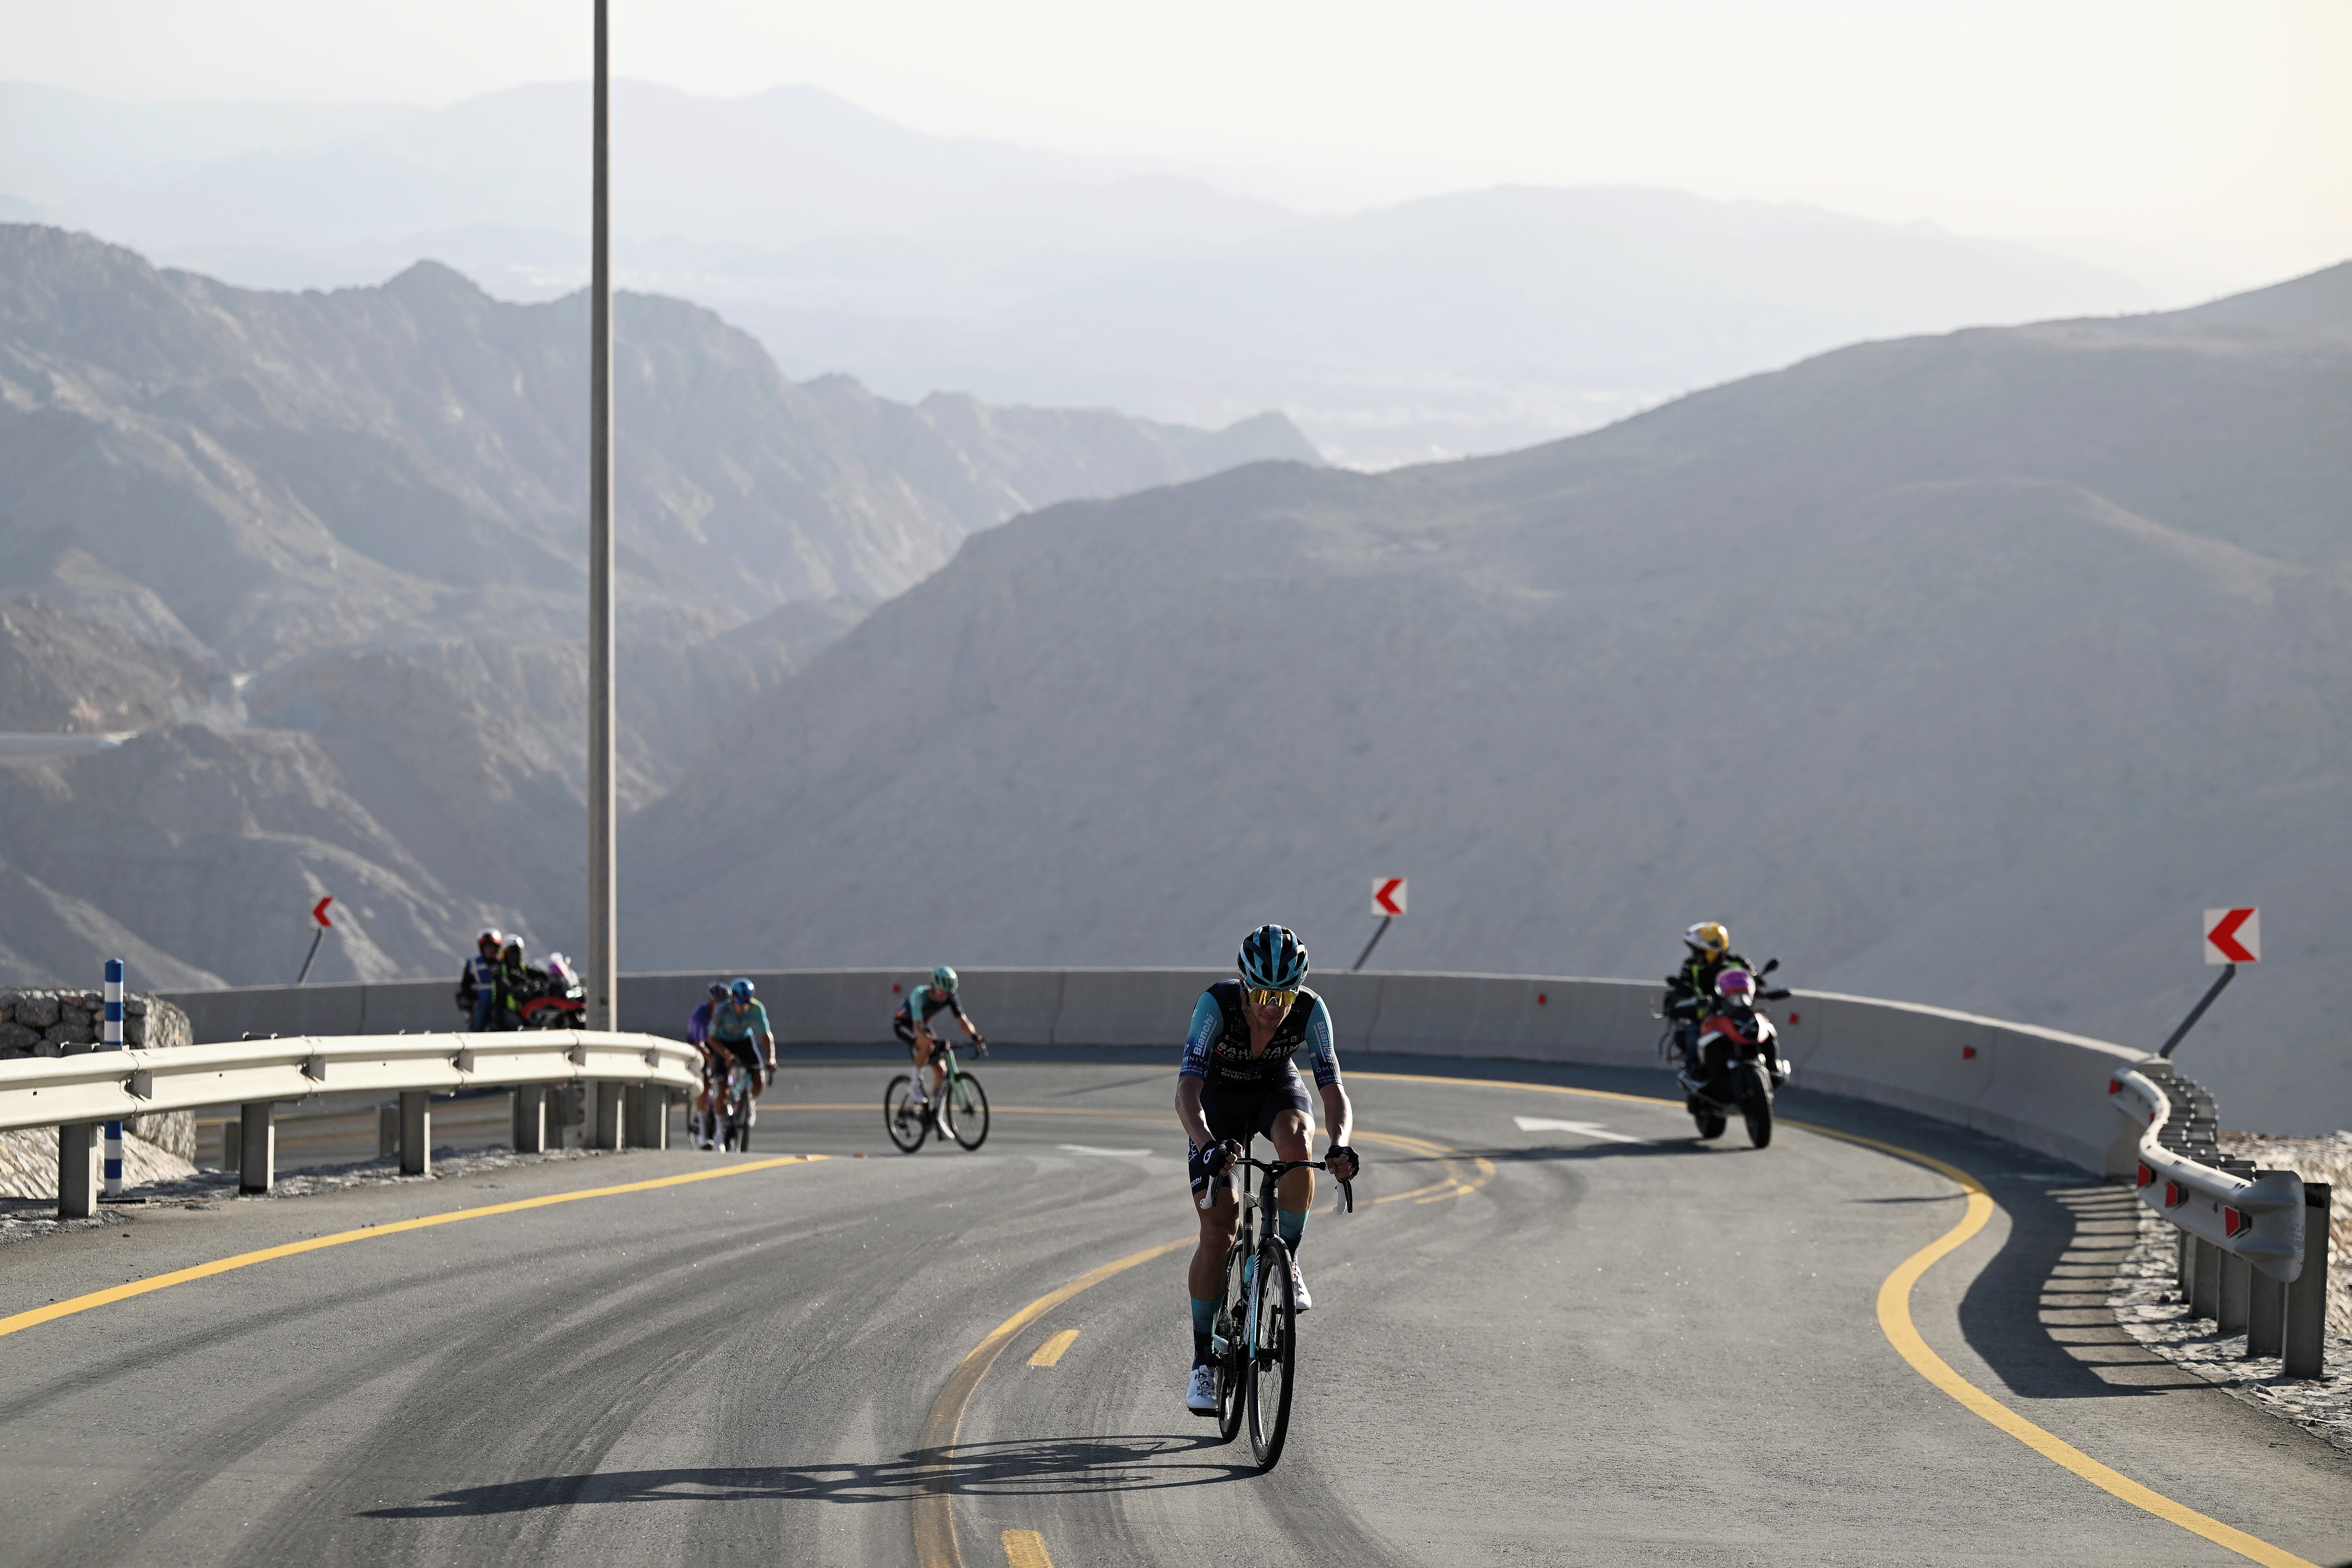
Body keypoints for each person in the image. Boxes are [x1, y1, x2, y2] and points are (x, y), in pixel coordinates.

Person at [1176, 923, 1357, 1417]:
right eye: (1260, 992)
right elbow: (1187, 1091)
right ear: (1243, 984)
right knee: (1218, 1230)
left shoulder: (1310, 1011)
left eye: (1282, 995)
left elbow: (1332, 1090)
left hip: (1274, 1088)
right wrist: (1208, 1144)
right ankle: (1202, 1362)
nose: (1270, 1006)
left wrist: (1340, 1143)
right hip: (1218, 1103)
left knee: (1299, 1144)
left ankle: (1286, 1258)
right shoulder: (1215, 1005)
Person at [1665, 921, 1752, 1075]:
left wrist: (1762, 988)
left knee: (1764, 1029)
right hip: (1705, 1017)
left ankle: (1771, 1067)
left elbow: (1755, 981)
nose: (1696, 955)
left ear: (1713, 949)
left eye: (1700, 951)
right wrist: (1681, 998)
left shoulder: (1738, 963)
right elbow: (1683, 988)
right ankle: (1693, 1074)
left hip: (1736, 1014)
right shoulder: (1691, 966)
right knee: (1692, 1037)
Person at [894, 965, 986, 1106]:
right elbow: (917, 1029)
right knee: (928, 1045)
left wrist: (975, 1037)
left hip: (922, 1025)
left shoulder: (950, 996)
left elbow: (963, 1022)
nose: (944, 997)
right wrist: (934, 1043)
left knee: (942, 1071)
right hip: (904, 1024)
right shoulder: (919, 995)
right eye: (941, 992)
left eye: (948, 993)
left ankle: (937, 1114)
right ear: (933, 986)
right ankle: (913, 1084)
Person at [708, 978, 777, 1101]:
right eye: (739, 1002)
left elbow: (766, 1035)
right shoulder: (722, 1010)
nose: (743, 1007)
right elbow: (711, 1037)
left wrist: (771, 1059)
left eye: (747, 1002)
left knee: (759, 1082)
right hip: (724, 1042)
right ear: (732, 998)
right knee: (723, 1090)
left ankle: (747, 1103)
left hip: (744, 1040)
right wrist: (726, 1055)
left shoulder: (757, 1008)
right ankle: (721, 1117)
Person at [686, 981, 730, 1148]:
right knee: (705, 1085)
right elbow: (699, 1043)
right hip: (700, 1044)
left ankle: (722, 1131)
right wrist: (711, 1059)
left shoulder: (728, 1013)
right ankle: (703, 1135)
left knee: (725, 1079)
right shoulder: (701, 1014)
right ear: (712, 1002)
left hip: (717, 1042)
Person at [455, 928, 504, 1031]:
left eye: (493, 947)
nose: (490, 950)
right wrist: (474, 1000)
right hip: (482, 1000)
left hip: (502, 1002)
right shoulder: (473, 964)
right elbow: (465, 985)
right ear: (482, 948)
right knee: (480, 1018)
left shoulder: (504, 964)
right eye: (487, 947)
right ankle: (476, 1038)